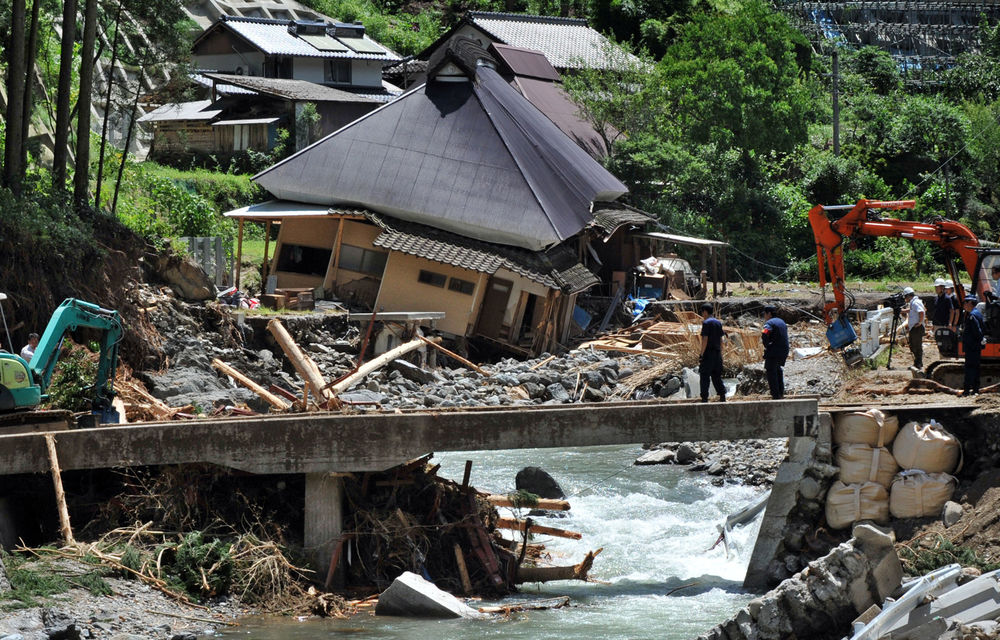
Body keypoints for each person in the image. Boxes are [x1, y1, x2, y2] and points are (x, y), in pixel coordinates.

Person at [699, 302, 726, 403]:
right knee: (716, 376)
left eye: (702, 312)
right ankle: (722, 395)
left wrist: (701, 354)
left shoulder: (706, 323)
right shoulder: (718, 322)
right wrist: (720, 352)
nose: (702, 314)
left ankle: (704, 398)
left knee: (704, 375)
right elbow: (721, 339)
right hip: (717, 353)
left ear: (705, 312)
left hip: (708, 353)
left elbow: (705, 339)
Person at [761, 306, 789, 399]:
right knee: (778, 369)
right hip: (784, 350)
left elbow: (765, 333)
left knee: (771, 371)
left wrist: (766, 345)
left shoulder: (769, 323)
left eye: (764, 314)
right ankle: (781, 393)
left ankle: (775, 395)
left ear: (769, 313)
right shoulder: (782, 322)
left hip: (774, 350)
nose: (764, 316)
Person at [961, 294, 985, 396]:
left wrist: (979, 340)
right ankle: (975, 389)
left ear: (970, 303)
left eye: (965, 302)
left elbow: (977, 331)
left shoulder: (972, 316)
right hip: (975, 346)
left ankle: (967, 390)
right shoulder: (977, 314)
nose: (964, 305)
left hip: (972, 347)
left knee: (970, 368)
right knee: (975, 368)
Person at [902, 287, 925, 369]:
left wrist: (920, 322)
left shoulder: (915, 303)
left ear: (908, 296)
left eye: (905, 297)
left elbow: (921, 312)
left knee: (916, 345)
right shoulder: (913, 303)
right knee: (912, 344)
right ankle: (917, 362)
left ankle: (919, 363)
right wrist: (903, 311)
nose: (905, 299)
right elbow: (911, 310)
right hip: (914, 327)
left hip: (917, 327)